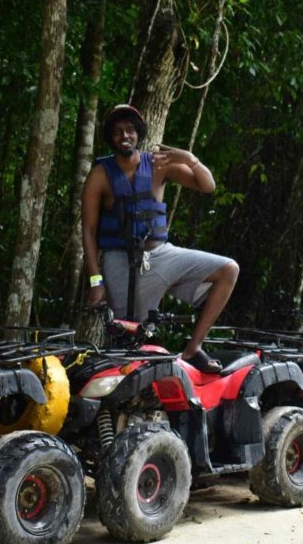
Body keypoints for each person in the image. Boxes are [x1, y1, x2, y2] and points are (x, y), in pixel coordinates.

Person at [81, 104, 239, 373]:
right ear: (110, 137)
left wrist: (190, 158)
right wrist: (96, 281)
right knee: (125, 342)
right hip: (120, 262)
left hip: (161, 255)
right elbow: (88, 230)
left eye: (130, 130)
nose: (125, 136)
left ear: (138, 134)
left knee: (228, 269)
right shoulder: (100, 174)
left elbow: (208, 185)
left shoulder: (157, 164)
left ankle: (193, 349)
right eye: (118, 132)